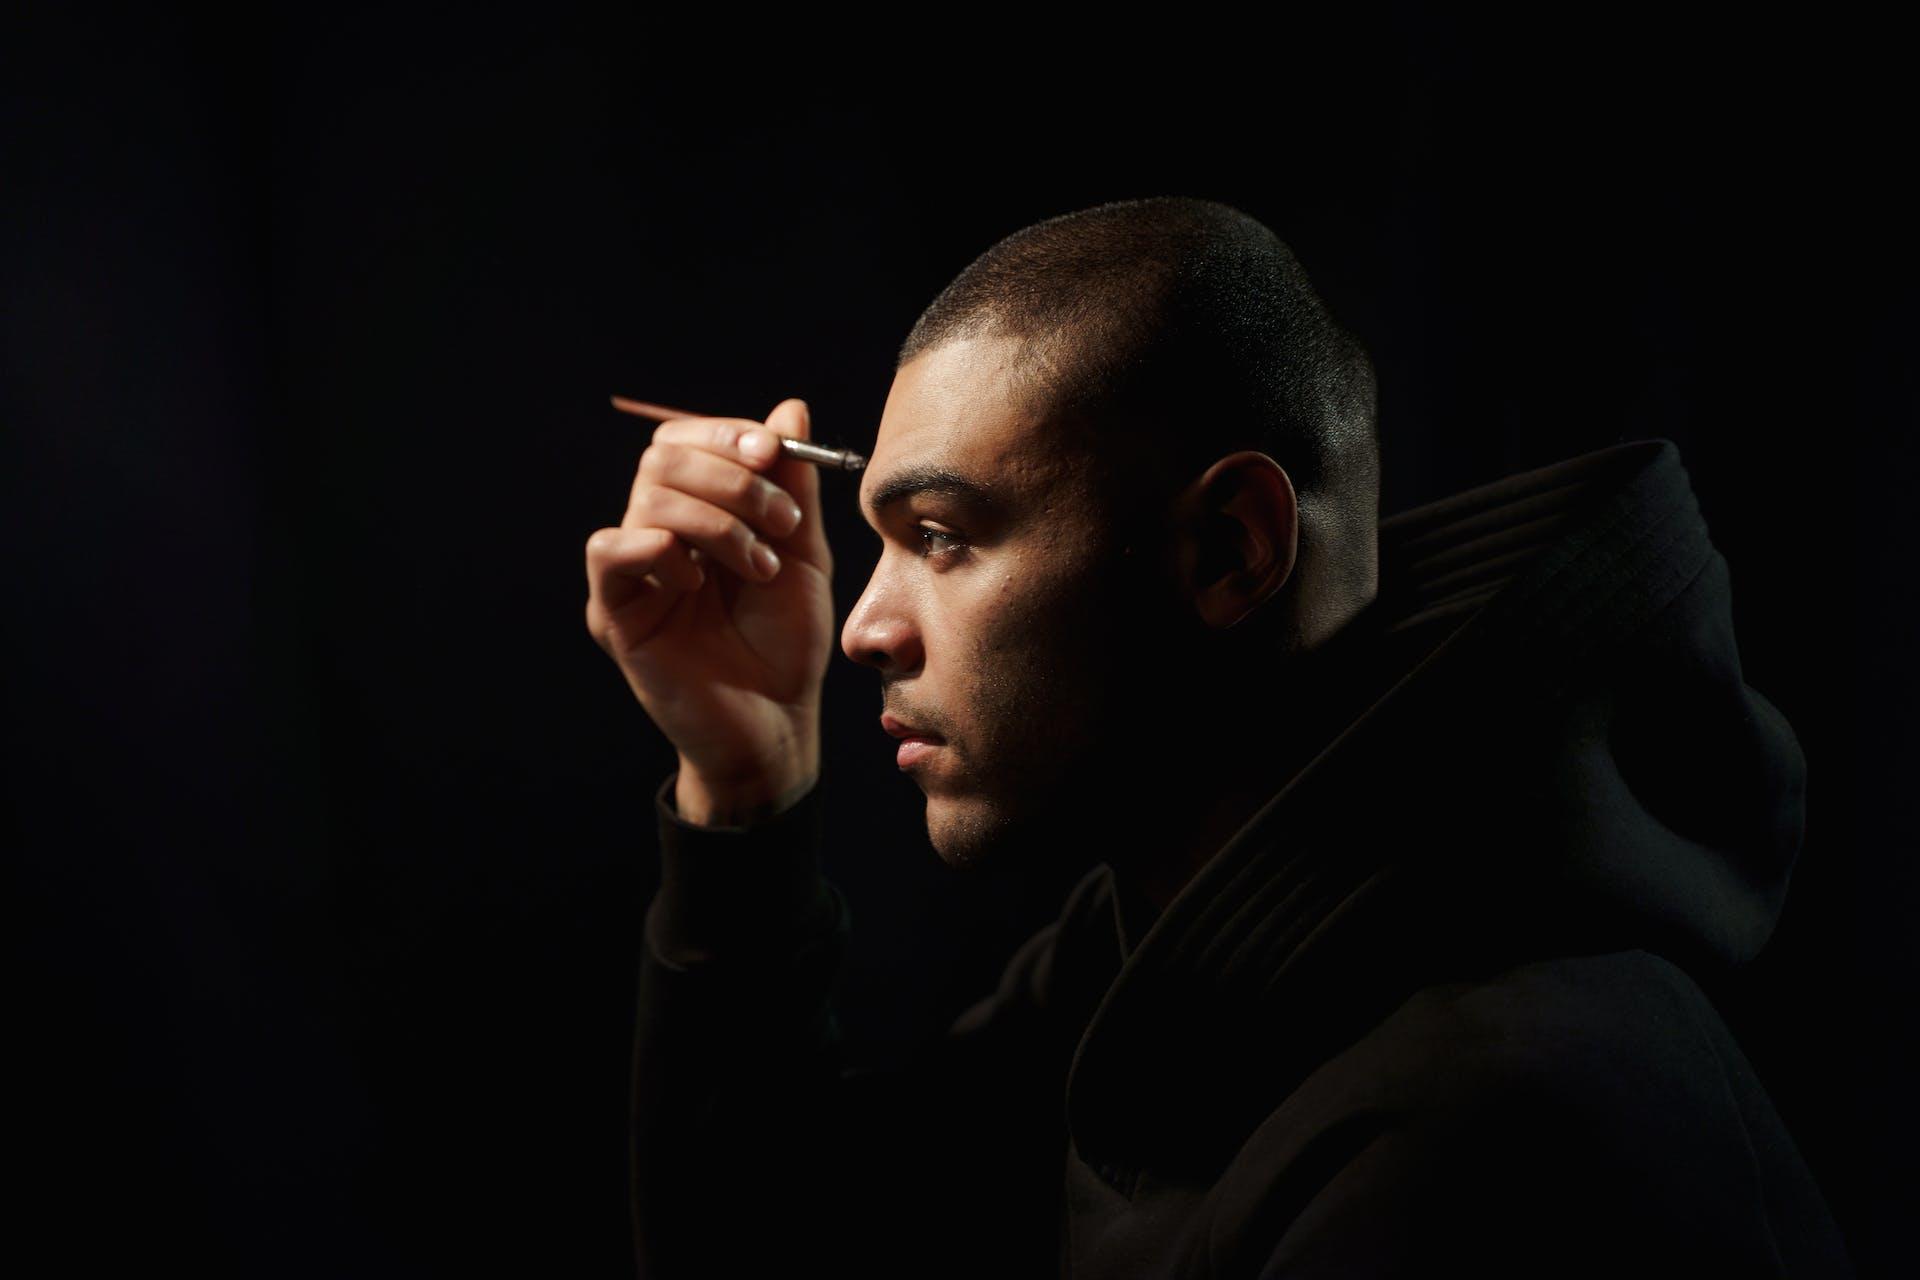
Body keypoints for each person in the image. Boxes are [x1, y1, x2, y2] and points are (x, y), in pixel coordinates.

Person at [584, 197, 1856, 1277]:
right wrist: (744, 777)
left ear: (1229, 549)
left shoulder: (1495, 1129)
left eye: (943, 535)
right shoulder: (1158, 942)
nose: (864, 625)